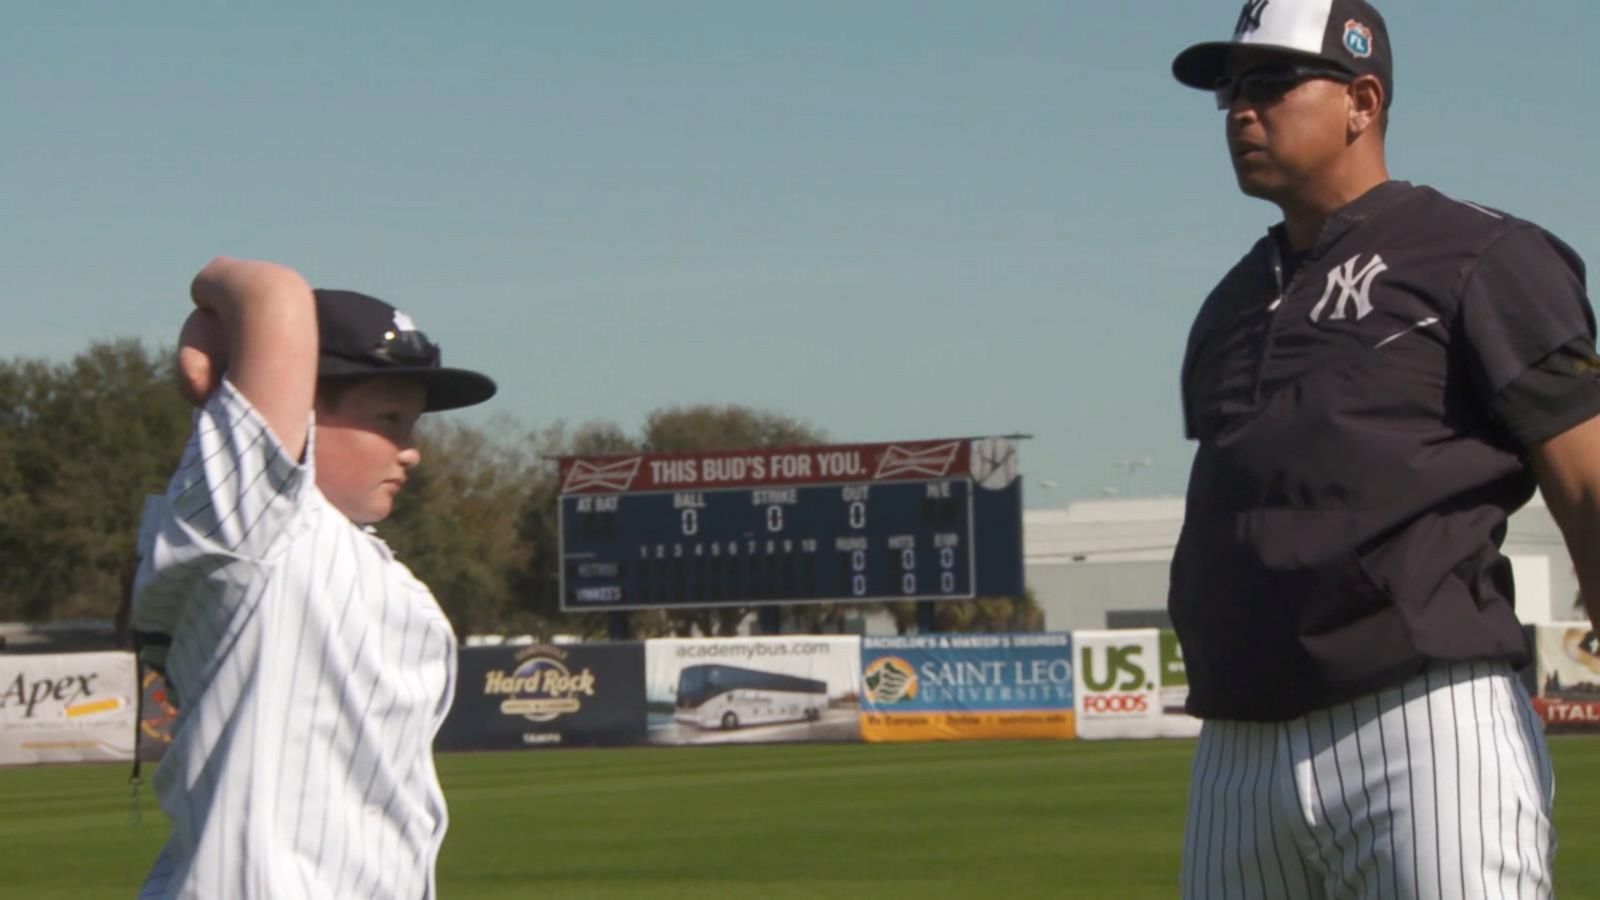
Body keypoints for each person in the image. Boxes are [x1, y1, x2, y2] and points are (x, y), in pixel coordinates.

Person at [1167, 1, 1600, 897]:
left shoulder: (1480, 254)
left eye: (1273, 82)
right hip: (1237, 742)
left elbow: (1588, 477)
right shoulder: (1229, 304)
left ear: (1363, 101)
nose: (1242, 109)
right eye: (1230, 90)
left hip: (1423, 720)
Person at [129, 257, 496, 899]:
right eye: (388, 419)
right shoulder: (254, 526)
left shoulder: (353, 554)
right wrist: (206, 333)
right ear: (299, 410)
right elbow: (273, 294)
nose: (411, 448)